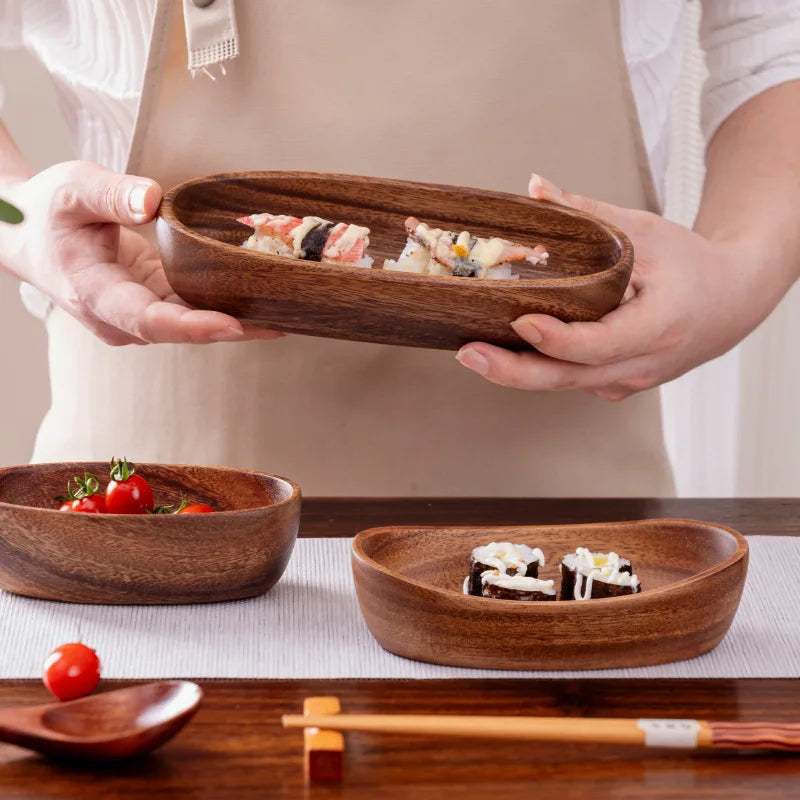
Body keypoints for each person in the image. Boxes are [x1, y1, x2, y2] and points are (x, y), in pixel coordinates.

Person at [0, 0, 798, 496]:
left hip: (566, 518)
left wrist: (739, 271)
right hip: (150, 506)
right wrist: (21, 221)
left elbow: (779, 37)